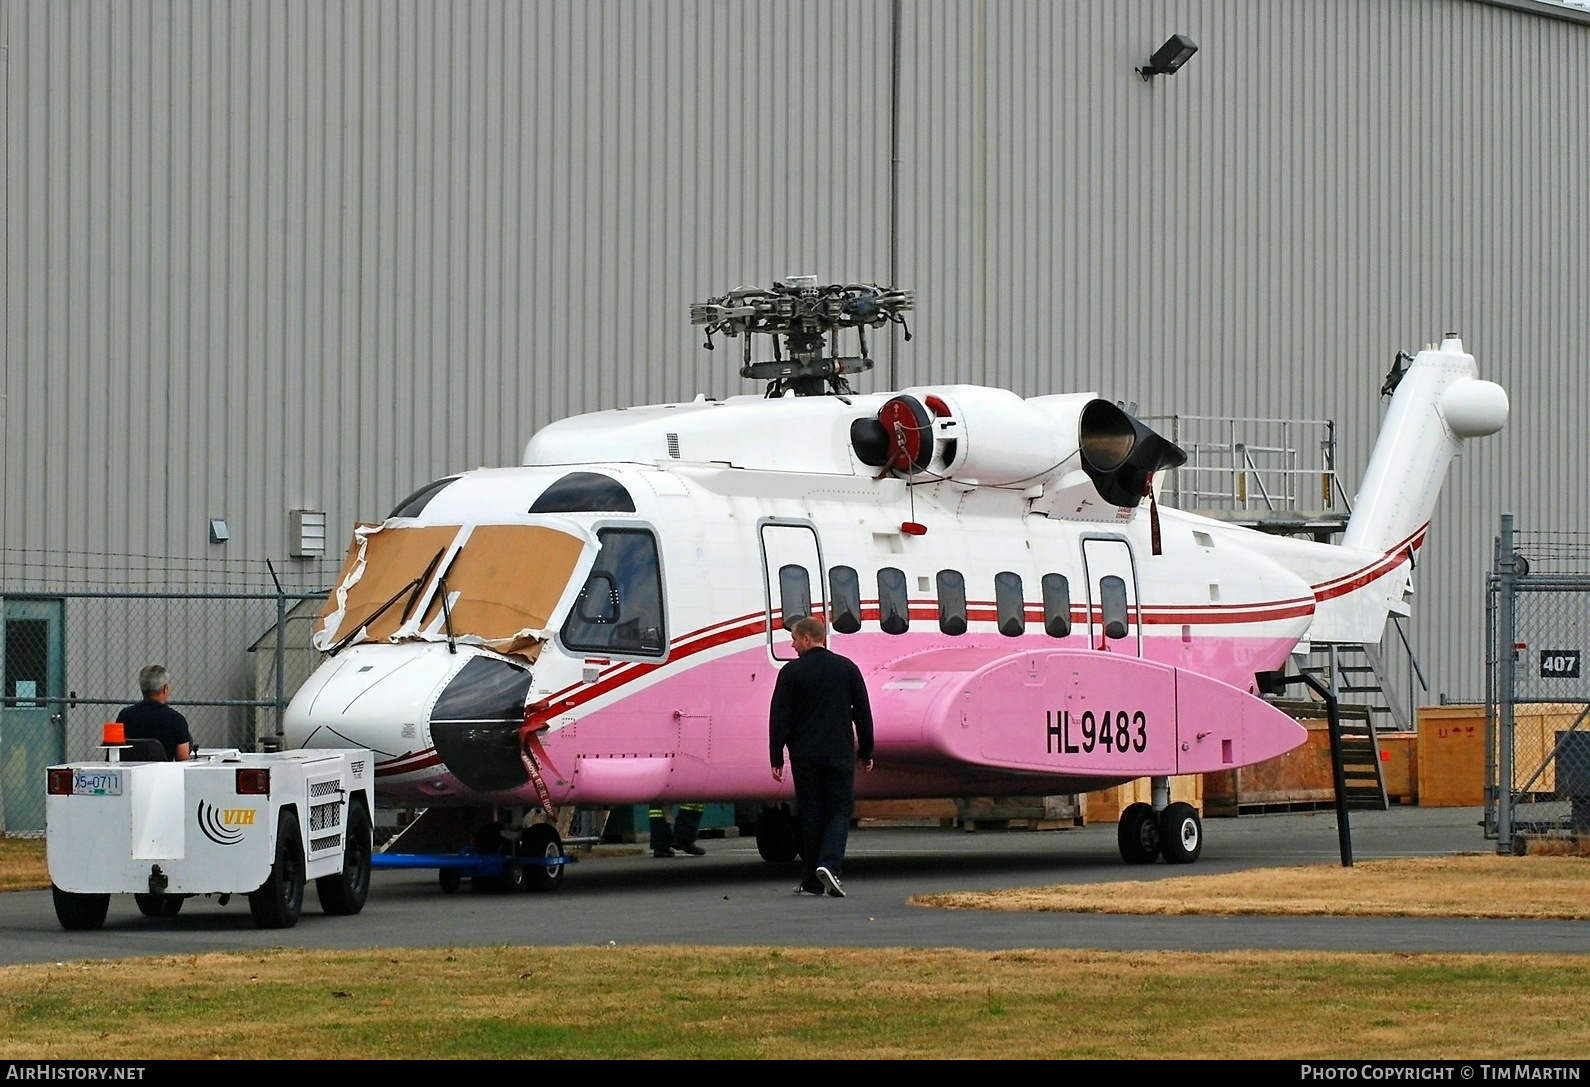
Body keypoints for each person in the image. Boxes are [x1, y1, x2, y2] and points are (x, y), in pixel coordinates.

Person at [768, 616, 874, 897]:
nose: (791, 645)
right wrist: (866, 750)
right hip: (838, 753)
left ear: (806, 639)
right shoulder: (847, 668)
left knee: (812, 814)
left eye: (793, 639)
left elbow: (779, 717)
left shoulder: (791, 673)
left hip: (804, 755)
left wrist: (776, 756)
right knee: (839, 811)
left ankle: (812, 882)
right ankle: (830, 866)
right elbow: (862, 712)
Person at [115, 664, 193, 761]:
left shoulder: (124, 716)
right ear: (165, 689)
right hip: (163, 775)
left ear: (142, 688)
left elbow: (115, 751)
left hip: (131, 773)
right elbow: (183, 759)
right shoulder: (176, 720)